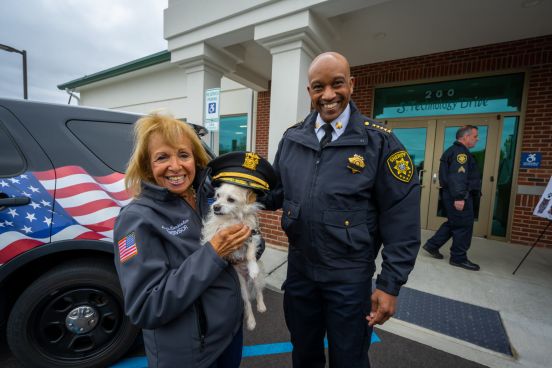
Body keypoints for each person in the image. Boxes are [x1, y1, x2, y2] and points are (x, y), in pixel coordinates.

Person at [263, 52, 421, 367]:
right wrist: (233, 189)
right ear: (309, 92)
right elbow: (274, 193)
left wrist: (390, 285)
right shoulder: (293, 139)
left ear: (351, 84)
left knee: (349, 358)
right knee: (303, 352)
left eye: (337, 84)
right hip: (300, 273)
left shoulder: (380, 142)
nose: (329, 95)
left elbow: (401, 217)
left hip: (348, 278)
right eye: (319, 87)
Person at [113, 113, 251, 368]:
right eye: (162, 157)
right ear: (147, 165)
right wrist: (213, 253)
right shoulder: (136, 219)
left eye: (183, 155)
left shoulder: (208, 197)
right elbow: (146, 306)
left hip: (229, 336)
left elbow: (237, 249)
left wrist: (249, 244)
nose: (175, 166)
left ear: (196, 160)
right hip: (191, 355)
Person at [422, 125, 482, 271]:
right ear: (465, 137)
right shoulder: (460, 154)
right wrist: (460, 197)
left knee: (454, 223)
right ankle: (458, 258)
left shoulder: (455, 151)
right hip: (459, 196)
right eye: (475, 136)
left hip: (453, 195)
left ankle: (432, 245)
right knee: (463, 226)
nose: (477, 139)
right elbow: (458, 177)